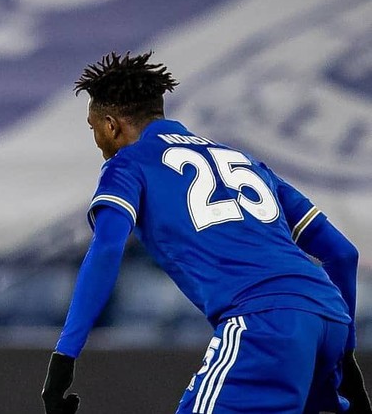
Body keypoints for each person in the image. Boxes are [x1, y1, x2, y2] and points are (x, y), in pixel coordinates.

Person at [41, 51, 371, 414]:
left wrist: (65, 356)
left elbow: (106, 249)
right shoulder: (244, 160)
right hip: (329, 318)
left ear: (111, 125)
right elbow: (343, 253)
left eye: (93, 129)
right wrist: (345, 351)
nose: (97, 142)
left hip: (264, 323)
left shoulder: (129, 164)